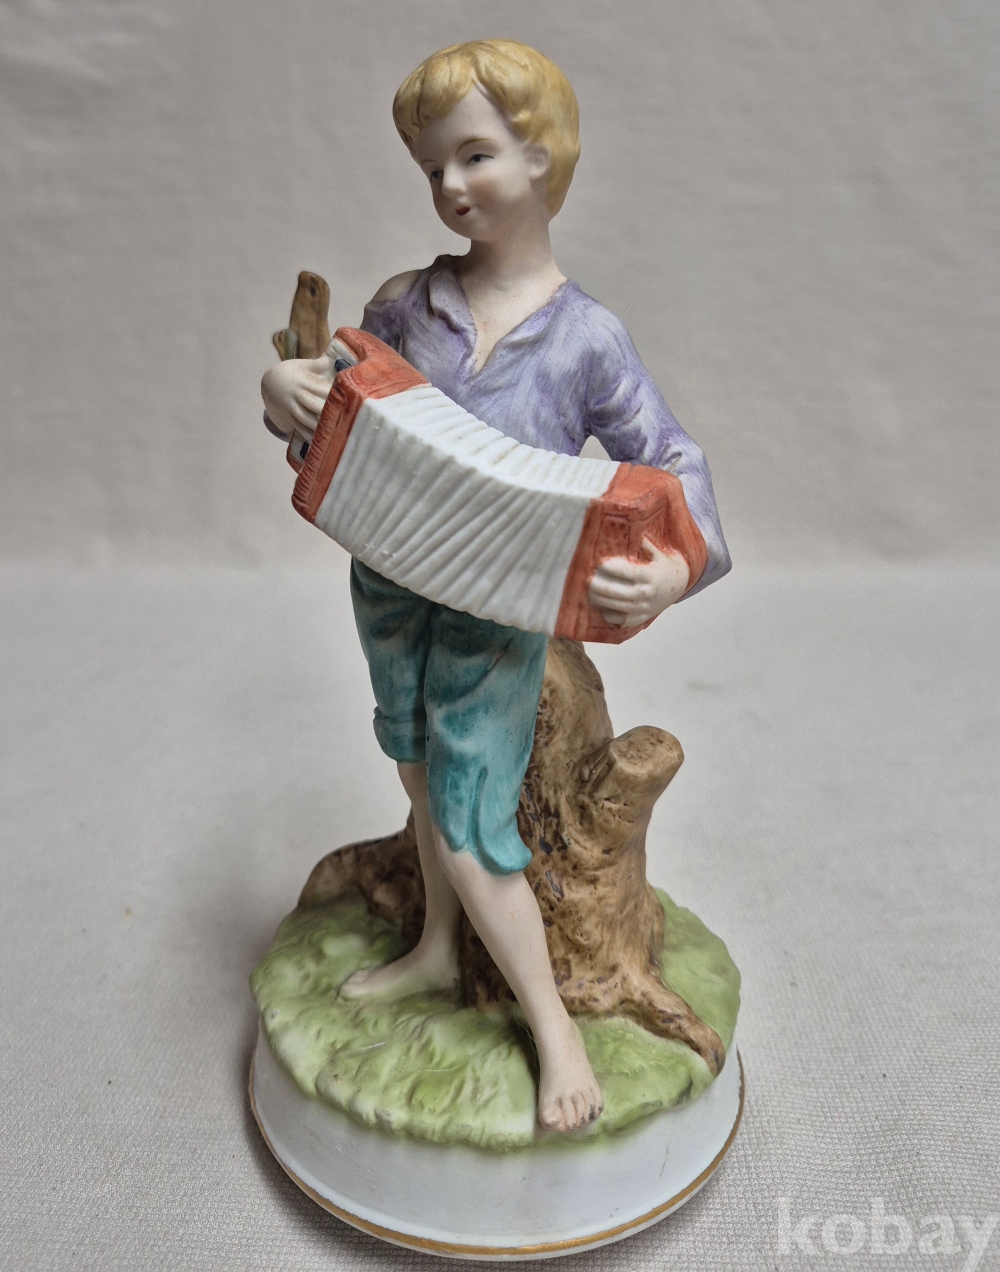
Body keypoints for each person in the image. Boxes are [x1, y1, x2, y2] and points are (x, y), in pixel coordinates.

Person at [261, 39, 730, 1135]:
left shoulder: (585, 339)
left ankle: (553, 1031)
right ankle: (435, 947)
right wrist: (283, 387)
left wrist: (672, 566)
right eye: (433, 167)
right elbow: (332, 404)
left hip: (495, 613)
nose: (450, 185)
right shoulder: (405, 304)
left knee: (475, 821)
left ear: (542, 156)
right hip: (389, 582)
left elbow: (675, 464)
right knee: (415, 764)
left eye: (474, 156)